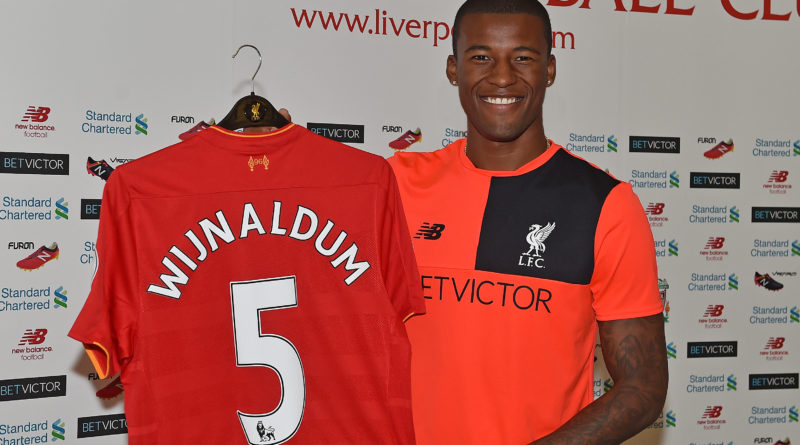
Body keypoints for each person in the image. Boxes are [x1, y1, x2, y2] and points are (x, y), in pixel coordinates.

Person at [386, 1, 668, 444]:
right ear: (453, 69)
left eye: (523, 57)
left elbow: (644, 388)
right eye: (481, 57)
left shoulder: (606, 205)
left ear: (550, 69)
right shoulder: (396, 184)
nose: (502, 76)